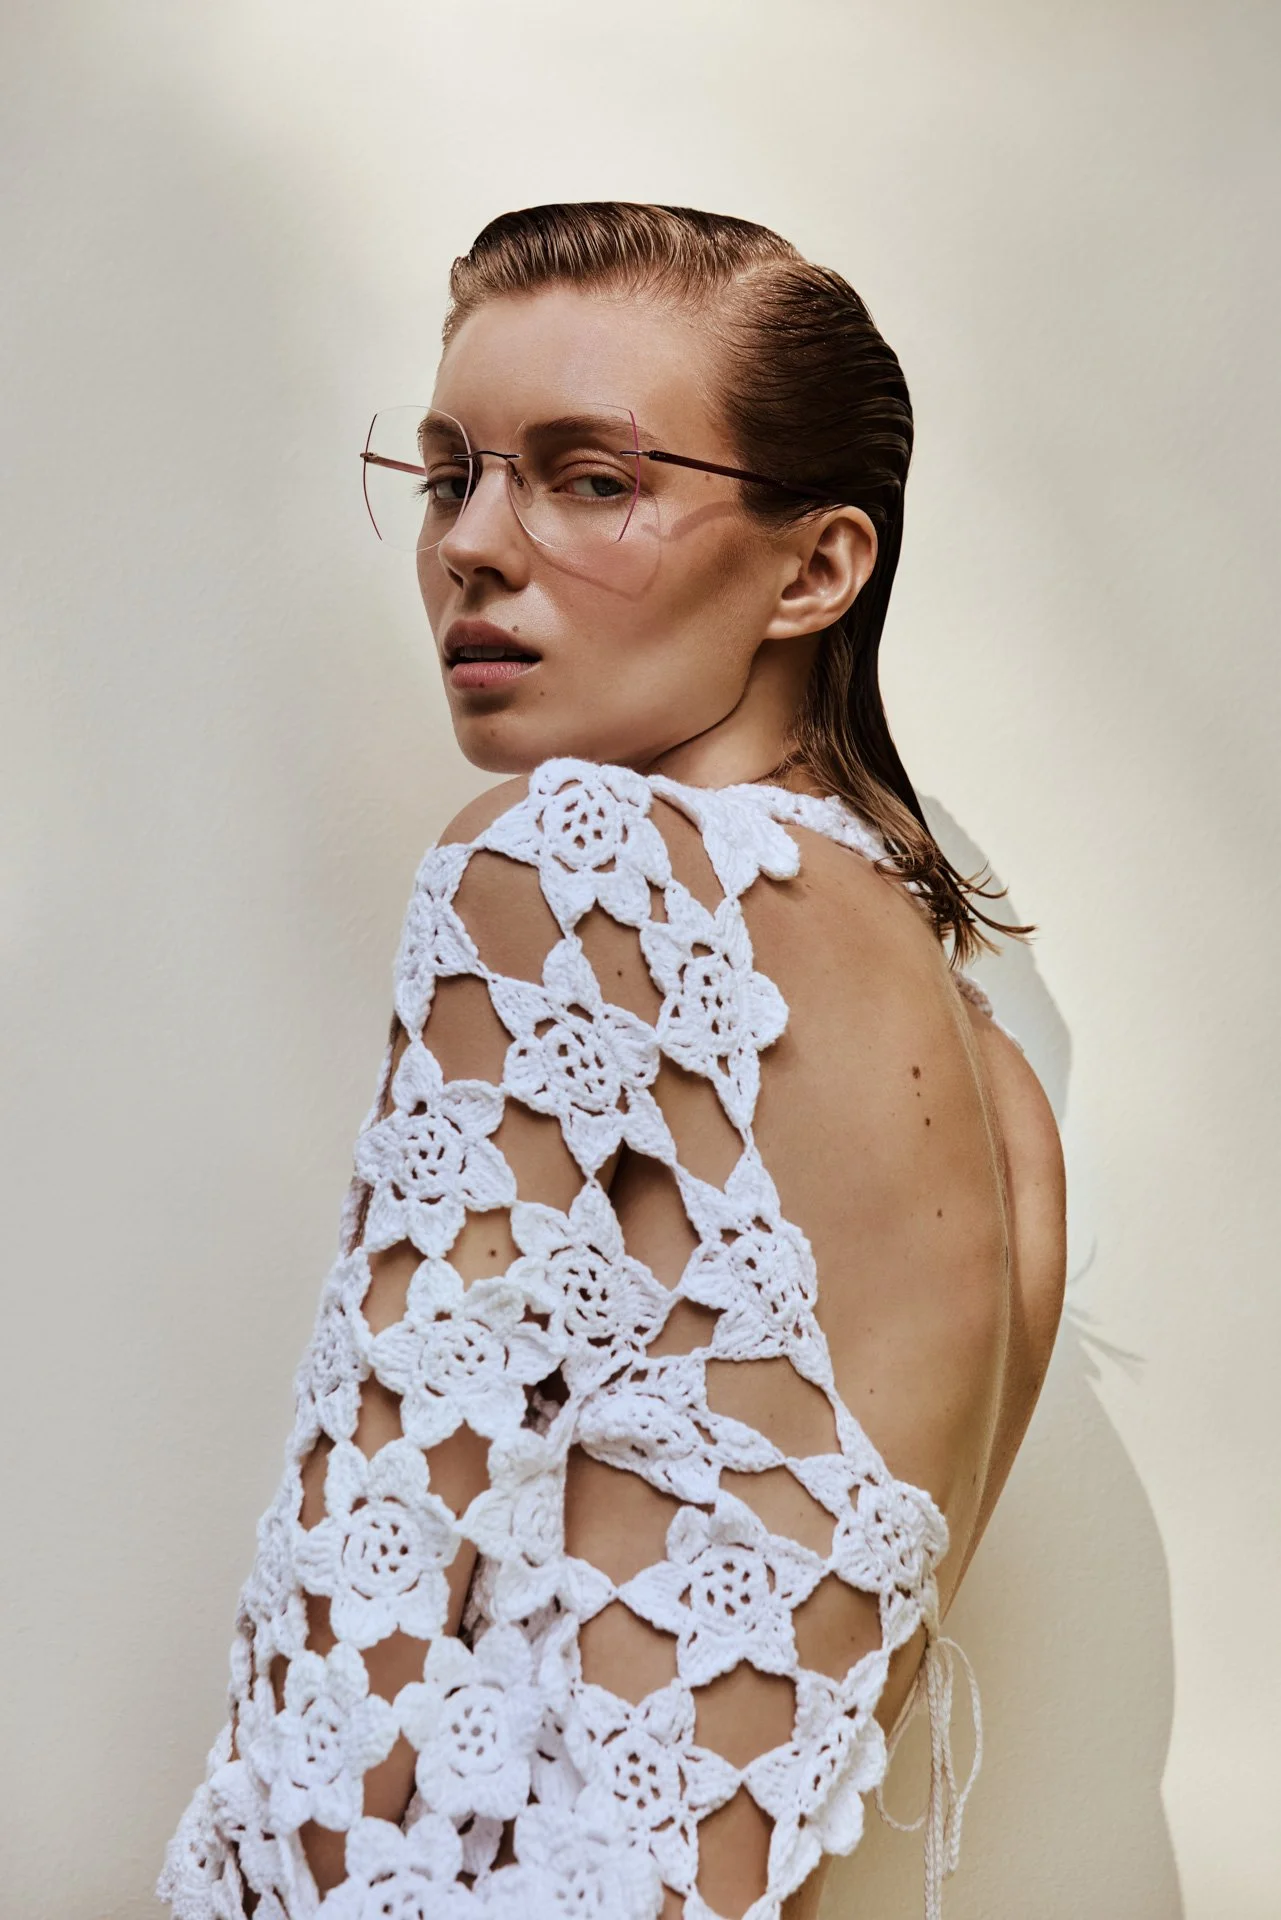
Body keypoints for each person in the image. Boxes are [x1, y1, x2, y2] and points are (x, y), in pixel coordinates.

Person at [159, 201, 1066, 1920]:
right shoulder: (992, 1062)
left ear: (815, 569)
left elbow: (352, 1650)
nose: (473, 550)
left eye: (589, 479)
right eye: (451, 474)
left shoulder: (568, 870)